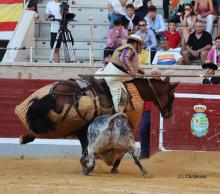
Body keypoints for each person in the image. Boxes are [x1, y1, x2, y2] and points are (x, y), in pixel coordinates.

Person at [96, 34, 145, 112]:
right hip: (114, 78)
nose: (141, 47)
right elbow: (124, 59)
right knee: (123, 97)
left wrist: (138, 69)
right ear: (135, 43)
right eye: (140, 44)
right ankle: (118, 115)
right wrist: (131, 71)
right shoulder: (130, 47)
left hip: (115, 76)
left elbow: (126, 62)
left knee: (124, 96)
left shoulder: (129, 48)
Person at [138, 68, 161, 160]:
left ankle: (158, 152)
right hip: (148, 111)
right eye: (152, 74)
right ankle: (145, 152)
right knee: (143, 130)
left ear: (159, 76)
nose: (154, 75)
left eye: (156, 74)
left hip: (160, 114)